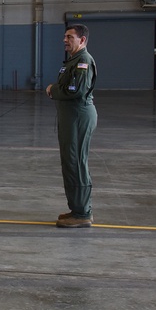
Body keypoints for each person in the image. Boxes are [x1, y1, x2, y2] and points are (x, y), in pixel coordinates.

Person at [45, 24, 97, 228]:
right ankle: (76, 208)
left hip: (78, 116)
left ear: (82, 40)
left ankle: (83, 213)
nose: (65, 40)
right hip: (70, 117)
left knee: (76, 163)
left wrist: (52, 90)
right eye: (65, 36)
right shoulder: (73, 60)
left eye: (70, 37)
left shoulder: (83, 60)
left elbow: (75, 90)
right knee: (69, 162)